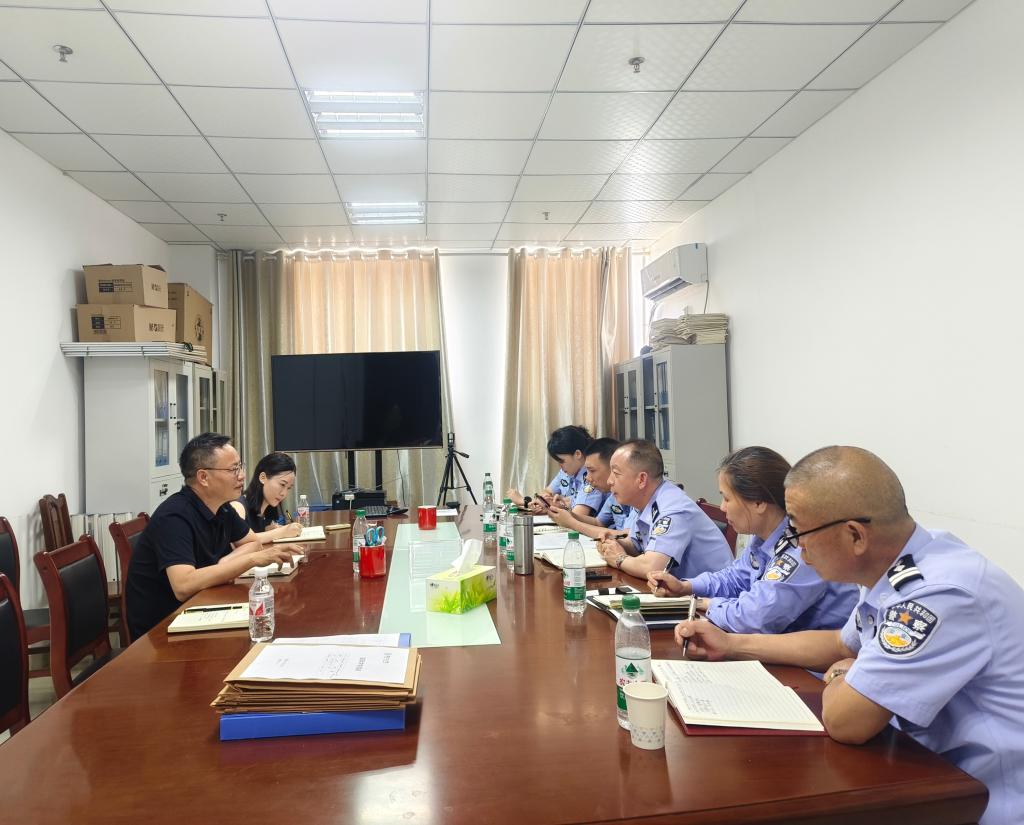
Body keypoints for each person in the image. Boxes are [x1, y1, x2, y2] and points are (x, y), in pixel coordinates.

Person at [674, 446, 1024, 825]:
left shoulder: (937, 594)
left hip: (979, 800)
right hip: (919, 769)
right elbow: (840, 644)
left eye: (799, 529)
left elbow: (846, 722)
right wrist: (730, 645)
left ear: (855, 535)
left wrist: (845, 672)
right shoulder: (895, 563)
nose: (795, 544)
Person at [647, 446, 858, 633]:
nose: (722, 507)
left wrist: (702, 603)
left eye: (727, 498)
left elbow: (754, 618)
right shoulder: (764, 537)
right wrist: (686, 587)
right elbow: (735, 578)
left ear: (758, 502)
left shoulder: (801, 546)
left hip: (820, 662)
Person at [125, 432, 294, 640]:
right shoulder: (174, 516)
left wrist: (224, 565)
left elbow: (252, 543)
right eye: (233, 469)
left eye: (240, 467)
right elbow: (183, 586)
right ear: (203, 477)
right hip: (162, 633)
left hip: (201, 609)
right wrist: (250, 561)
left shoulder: (222, 508)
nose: (242, 475)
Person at [597, 439, 732, 578]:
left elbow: (653, 568)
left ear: (641, 479)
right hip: (681, 587)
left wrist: (619, 558)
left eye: (616, 473)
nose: (609, 481)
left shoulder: (672, 509)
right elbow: (638, 545)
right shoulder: (648, 499)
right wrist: (616, 543)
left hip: (712, 590)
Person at [507, 425, 605, 517]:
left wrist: (524, 501)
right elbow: (547, 492)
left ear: (577, 454)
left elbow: (577, 516)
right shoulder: (566, 472)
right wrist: (543, 501)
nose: (560, 466)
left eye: (562, 461)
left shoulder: (591, 478)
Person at [548, 437, 635, 540]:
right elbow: (598, 522)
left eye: (592, 471)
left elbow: (627, 538)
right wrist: (567, 514)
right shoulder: (613, 496)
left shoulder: (639, 497)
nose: (587, 478)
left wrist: (571, 523)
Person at [229, 451, 304, 544]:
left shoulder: (267, 512)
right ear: (263, 478)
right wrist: (280, 532)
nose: (284, 493)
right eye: (282, 484)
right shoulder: (238, 507)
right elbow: (237, 541)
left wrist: (269, 530)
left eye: (288, 488)